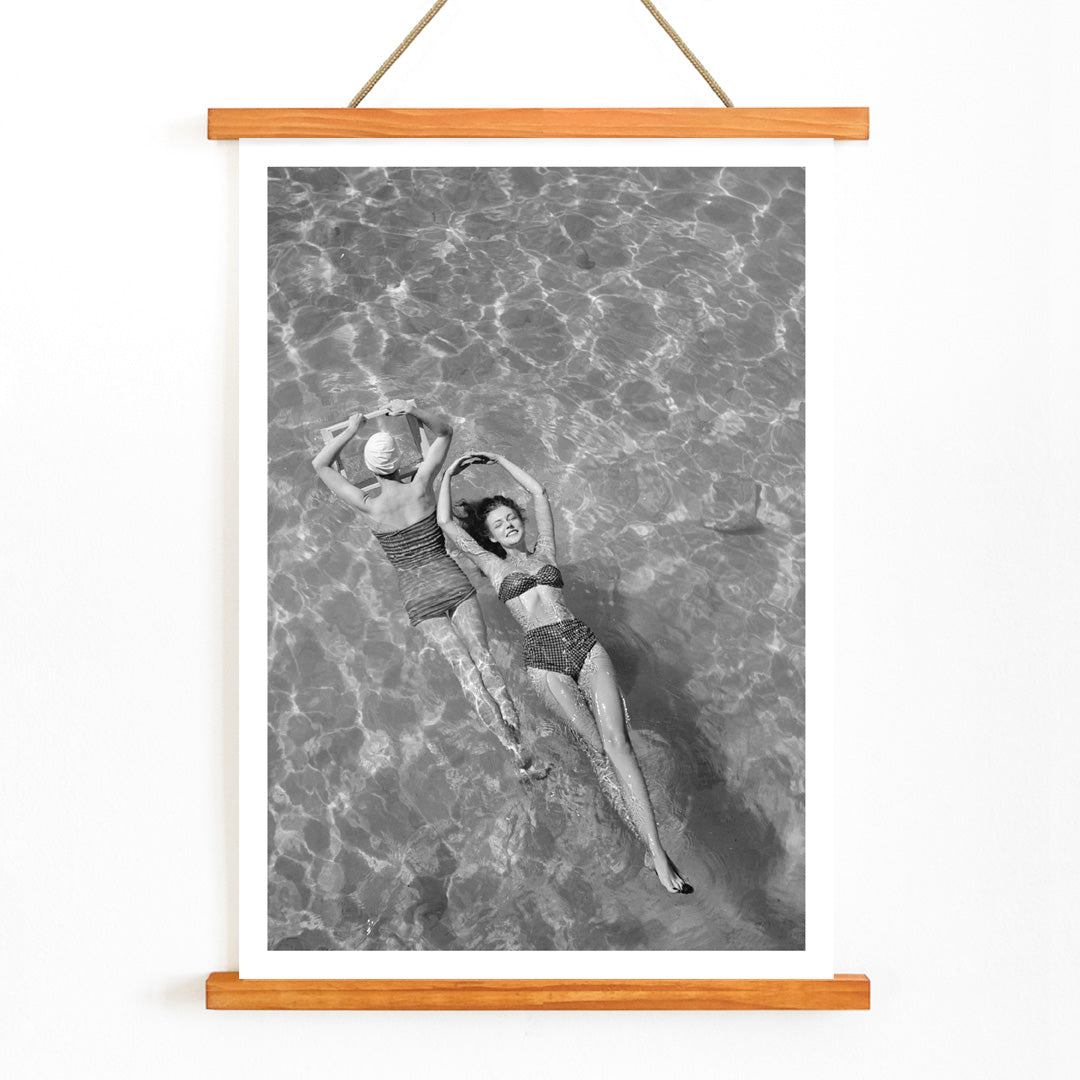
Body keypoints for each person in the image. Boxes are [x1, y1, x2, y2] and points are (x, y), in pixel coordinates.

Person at [437, 451, 690, 894]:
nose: (509, 525)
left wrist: (498, 458)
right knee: (598, 752)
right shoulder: (492, 565)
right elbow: (445, 524)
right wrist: (448, 474)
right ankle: (652, 851)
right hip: (544, 661)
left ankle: (655, 849)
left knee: (620, 746)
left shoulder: (546, 551)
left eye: (511, 517)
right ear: (490, 537)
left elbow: (538, 492)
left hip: (585, 645)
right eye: (498, 524)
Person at [311, 401, 546, 779]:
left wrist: (350, 430)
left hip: (418, 596)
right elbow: (445, 432)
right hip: (452, 580)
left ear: (372, 469)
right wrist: (412, 409)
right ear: (396, 460)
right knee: (484, 661)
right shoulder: (422, 486)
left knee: (464, 670)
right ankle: (522, 738)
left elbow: (320, 465)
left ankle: (513, 751)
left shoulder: (368, 504)